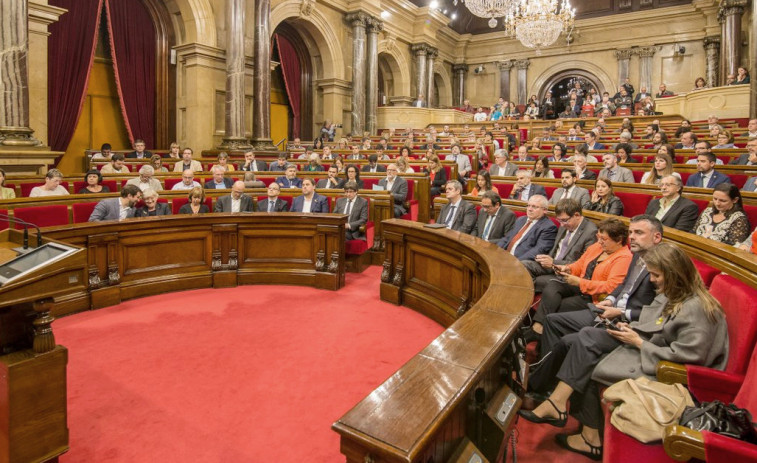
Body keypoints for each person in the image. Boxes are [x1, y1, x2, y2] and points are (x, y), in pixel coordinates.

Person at [522, 243, 727, 461]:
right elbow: (655, 323)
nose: (652, 280)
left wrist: (638, 341)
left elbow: (688, 356)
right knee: (582, 339)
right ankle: (571, 418)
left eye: (656, 275)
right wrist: (632, 330)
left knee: (589, 354)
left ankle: (567, 415)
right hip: (649, 346)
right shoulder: (675, 293)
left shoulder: (699, 309)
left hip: (667, 369)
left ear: (674, 273)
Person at [525, 217, 632, 340]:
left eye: (604, 239)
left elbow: (611, 287)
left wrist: (580, 282)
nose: (599, 241)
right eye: (598, 237)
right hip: (580, 286)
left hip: (594, 297)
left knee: (559, 305)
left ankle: (537, 334)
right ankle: (538, 329)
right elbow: (580, 264)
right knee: (552, 284)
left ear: (618, 240)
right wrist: (567, 268)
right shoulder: (597, 247)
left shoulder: (624, 258)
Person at [524, 199, 599, 291]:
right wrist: (545, 259)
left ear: (577, 215)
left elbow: (584, 265)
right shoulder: (565, 224)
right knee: (523, 266)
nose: (562, 225)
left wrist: (554, 263)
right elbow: (556, 249)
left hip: (567, 271)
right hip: (551, 265)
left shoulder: (591, 232)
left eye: (564, 220)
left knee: (532, 281)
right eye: (559, 220)